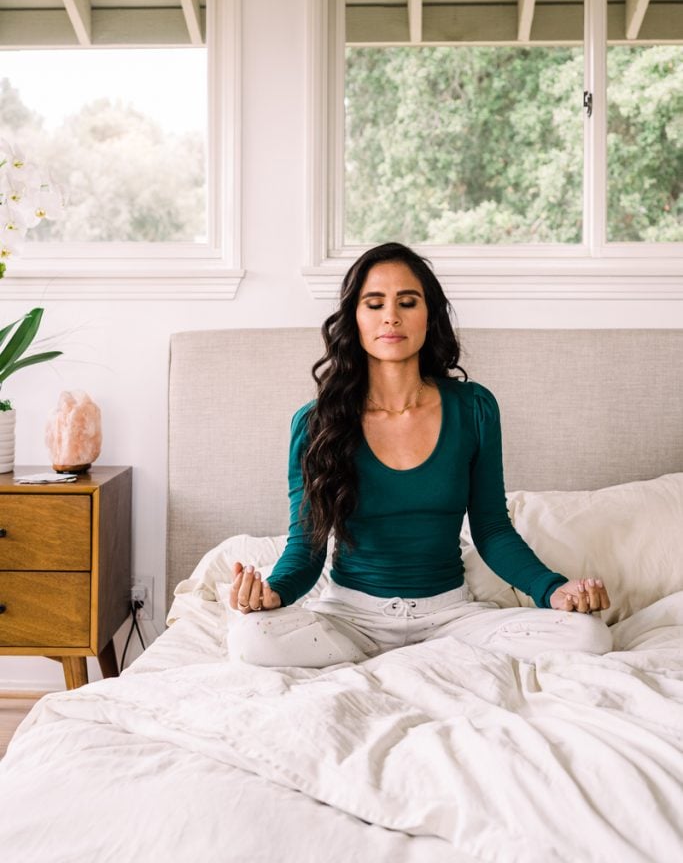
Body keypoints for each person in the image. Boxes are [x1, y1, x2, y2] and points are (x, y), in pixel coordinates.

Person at [227, 242, 612, 668]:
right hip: (350, 620)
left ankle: (418, 657)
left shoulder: (474, 408)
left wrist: (553, 589)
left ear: (430, 315)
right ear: (354, 318)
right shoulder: (316, 424)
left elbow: (492, 530)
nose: (390, 315)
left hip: (449, 616)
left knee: (589, 634)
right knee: (250, 638)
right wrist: (272, 593)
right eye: (374, 304)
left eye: (407, 302)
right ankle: (399, 660)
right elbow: (307, 546)